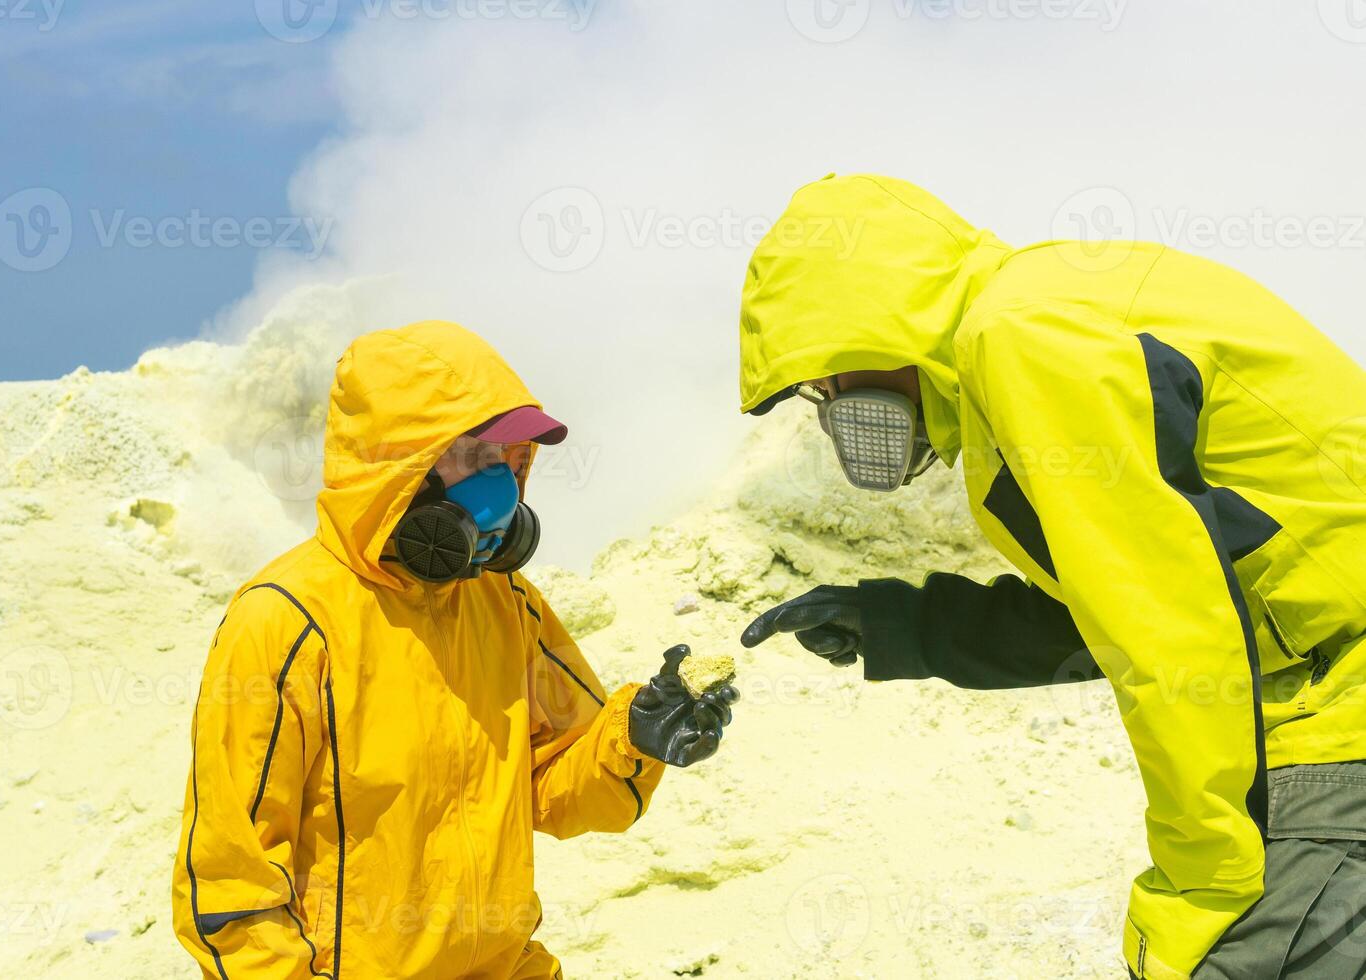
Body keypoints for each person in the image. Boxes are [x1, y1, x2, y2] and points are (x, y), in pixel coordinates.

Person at [737, 174, 1366, 979]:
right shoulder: (1028, 327)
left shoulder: (1020, 336)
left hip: (1336, 700)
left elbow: (1168, 623)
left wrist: (1205, 889)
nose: (828, 405)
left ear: (872, 328)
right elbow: (1128, 605)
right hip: (1314, 690)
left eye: (823, 380)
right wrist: (906, 627)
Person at [172, 321, 736, 979]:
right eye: (470, 454)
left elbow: (553, 783)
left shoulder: (504, 601)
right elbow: (228, 879)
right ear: (393, 464)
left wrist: (635, 737)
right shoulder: (285, 619)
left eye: (503, 458)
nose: (495, 480)